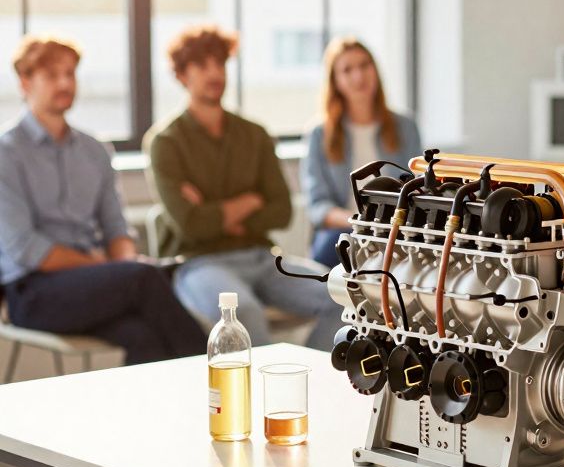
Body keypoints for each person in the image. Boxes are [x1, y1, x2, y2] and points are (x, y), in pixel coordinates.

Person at [0, 35, 206, 365]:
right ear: (25, 81)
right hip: (33, 293)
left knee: (145, 337)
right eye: (52, 75)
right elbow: (28, 250)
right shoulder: (6, 154)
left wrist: (120, 261)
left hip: (96, 285)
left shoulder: (93, 150)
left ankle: (159, 413)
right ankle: (222, 380)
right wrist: (112, 267)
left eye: (70, 73)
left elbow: (116, 229)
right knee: (144, 278)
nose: (65, 82)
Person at [145, 25, 341, 350]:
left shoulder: (255, 135)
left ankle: (301, 374)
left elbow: (281, 211)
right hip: (200, 263)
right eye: (202, 65)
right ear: (181, 75)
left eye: (219, 63)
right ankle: (265, 398)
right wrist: (249, 202)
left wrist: (214, 212)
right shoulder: (165, 142)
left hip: (263, 257)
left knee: (344, 296)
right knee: (243, 312)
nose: (214, 73)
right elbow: (190, 224)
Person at [302, 36, 421, 268]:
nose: (359, 76)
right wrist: (359, 223)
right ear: (335, 81)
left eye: (364, 65)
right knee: (333, 248)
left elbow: (418, 188)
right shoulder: (319, 134)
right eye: (347, 70)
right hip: (343, 230)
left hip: (394, 229)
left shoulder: (405, 127)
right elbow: (317, 206)